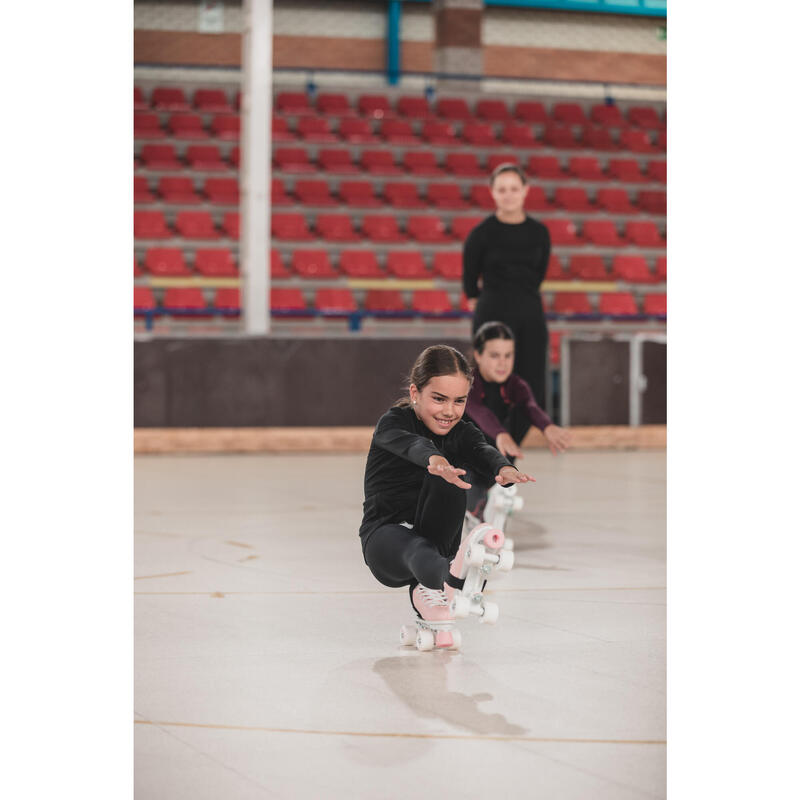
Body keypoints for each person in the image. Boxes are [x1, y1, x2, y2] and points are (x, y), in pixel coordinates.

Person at [359, 344, 534, 626]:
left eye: (459, 401)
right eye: (439, 399)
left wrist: (503, 467)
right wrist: (435, 458)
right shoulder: (392, 424)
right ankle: (453, 576)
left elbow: (480, 448)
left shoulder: (460, 430)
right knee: (417, 546)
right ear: (415, 393)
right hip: (384, 540)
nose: (450, 411)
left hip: (435, 542)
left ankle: (436, 583)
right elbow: (413, 445)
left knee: (455, 478)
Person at [463, 163, 551, 407]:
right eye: (502, 189)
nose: (508, 195)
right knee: (489, 377)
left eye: (514, 188)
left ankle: (517, 436)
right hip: (492, 311)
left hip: (530, 311)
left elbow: (539, 273)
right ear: (492, 192)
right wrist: (479, 300)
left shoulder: (539, 232)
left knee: (531, 375)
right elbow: (469, 280)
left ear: (525, 190)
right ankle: (490, 439)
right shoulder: (481, 234)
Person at [464, 321, 571, 520]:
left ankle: (488, 502)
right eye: (494, 355)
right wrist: (500, 434)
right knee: (472, 501)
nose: (502, 363)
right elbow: (478, 410)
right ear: (478, 355)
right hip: (465, 459)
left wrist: (546, 426)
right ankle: (476, 510)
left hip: (497, 458)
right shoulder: (468, 382)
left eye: (508, 355)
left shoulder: (515, 384)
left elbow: (530, 406)